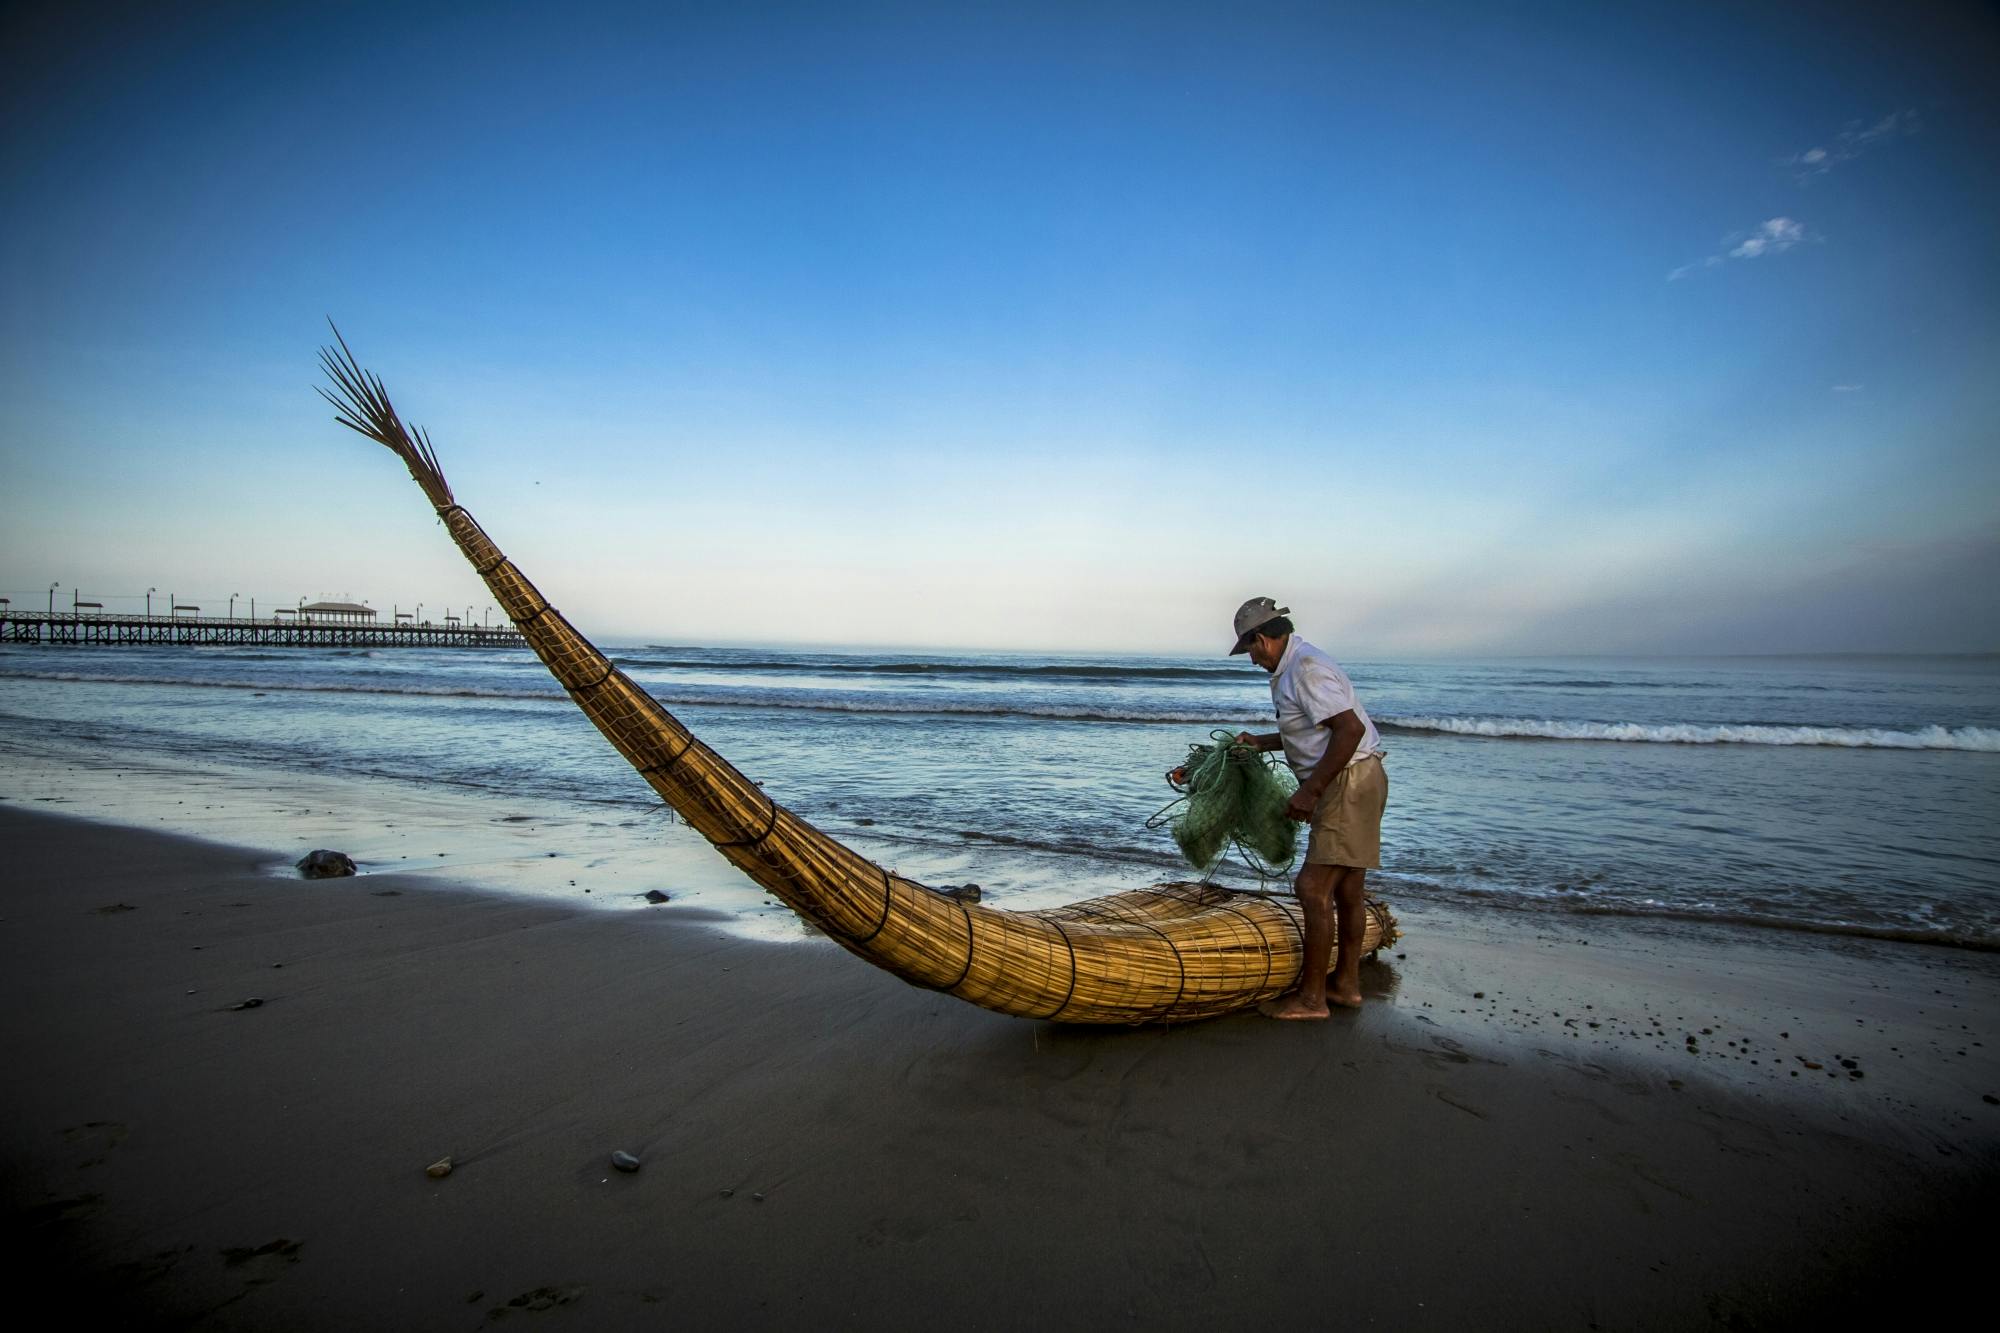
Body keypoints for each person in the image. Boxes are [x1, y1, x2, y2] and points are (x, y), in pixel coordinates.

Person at [1176, 597, 1388, 1018]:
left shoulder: (1306, 669)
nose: (1251, 660)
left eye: (1249, 650)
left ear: (1262, 640)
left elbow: (1350, 730)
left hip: (1348, 782)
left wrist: (1311, 792)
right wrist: (1261, 741)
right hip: (1359, 777)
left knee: (1311, 888)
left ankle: (1312, 1001)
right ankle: (1344, 987)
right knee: (1347, 889)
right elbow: (1315, 731)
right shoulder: (1295, 666)